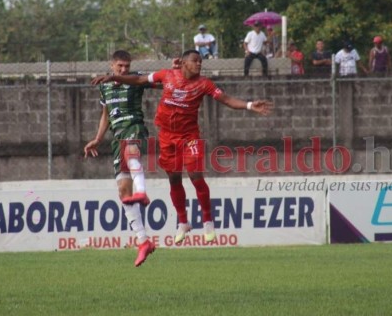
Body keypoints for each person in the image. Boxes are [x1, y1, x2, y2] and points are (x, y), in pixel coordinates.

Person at [91, 50, 273, 244]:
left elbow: (227, 100)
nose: (199, 64)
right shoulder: (167, 75)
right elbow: (140, 80)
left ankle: (208, 220)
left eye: (200, 61)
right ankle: (183, 222)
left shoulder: (204, 84)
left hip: (190, 137)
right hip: (168, 136)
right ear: (184, 63)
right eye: (195, 61)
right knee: (174, 178)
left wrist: (249, 105)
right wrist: (113, 77)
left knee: (195, 175)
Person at [84, 50, 155, 267]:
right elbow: (106, 114)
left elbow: (160, 81)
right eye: (120, 66)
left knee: (130, 151)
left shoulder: (136, 80)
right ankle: (143, 241)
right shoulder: (105, 86)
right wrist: (97, 138)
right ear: (112, 64)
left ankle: (142, 192)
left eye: (127, 66)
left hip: (134, 127)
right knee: (123, 191)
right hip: (117, 136)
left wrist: (176, 73)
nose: (124, 69)